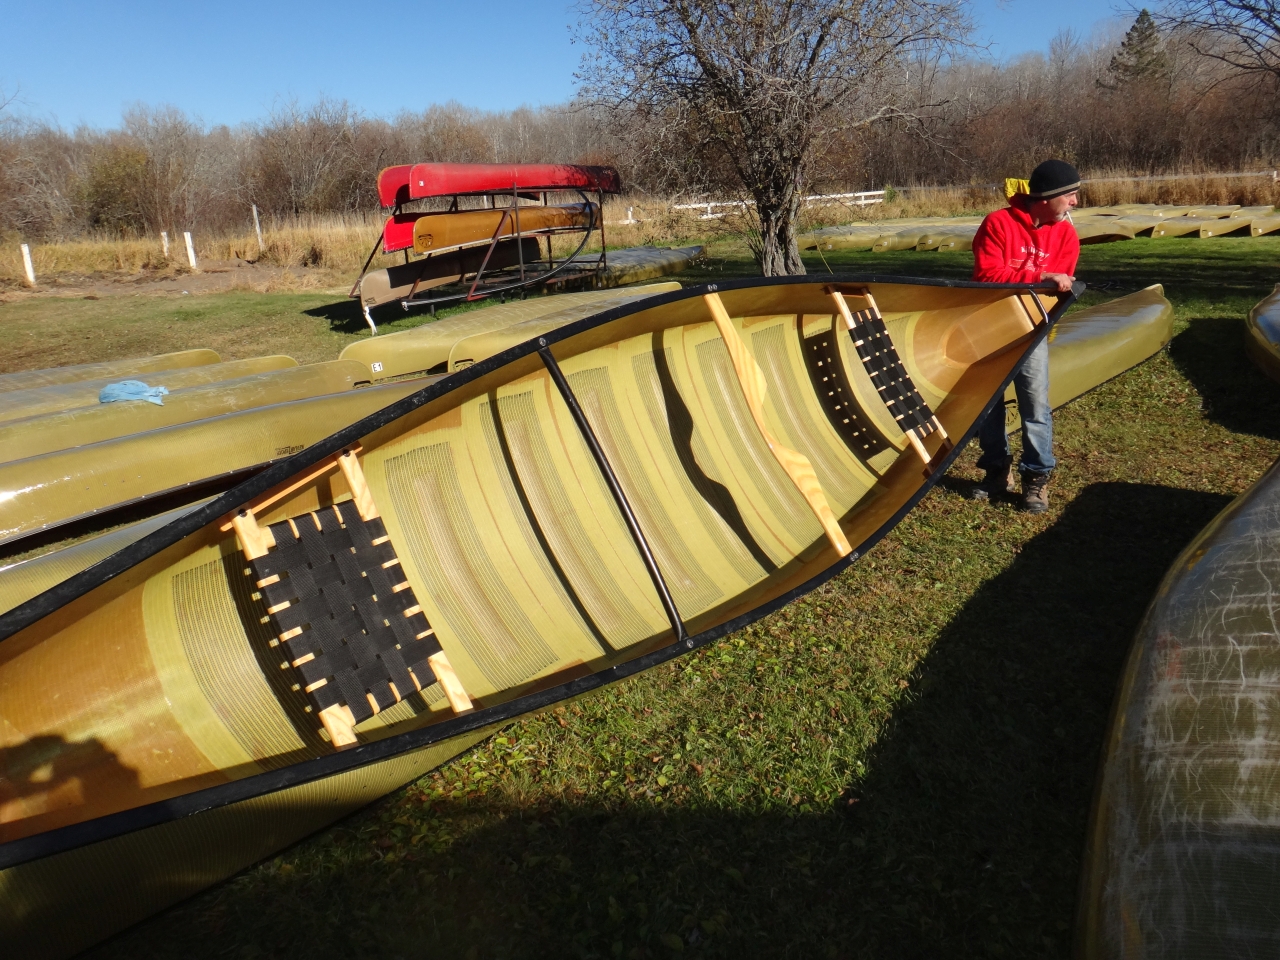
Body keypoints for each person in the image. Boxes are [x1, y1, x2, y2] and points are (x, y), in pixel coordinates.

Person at [969, 158, 1081, 514]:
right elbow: (987, 275)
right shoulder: (998, 224)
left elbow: (1059, 285)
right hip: (991, 329)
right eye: (1071, 195)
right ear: (1047, 197)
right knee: (989, 406)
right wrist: (1038, 278)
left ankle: (1036, 478)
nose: (1075, 203)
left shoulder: (1065, 234)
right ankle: (997, 471)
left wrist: (1047, 283)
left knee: (1035, 406)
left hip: (1033, 330)